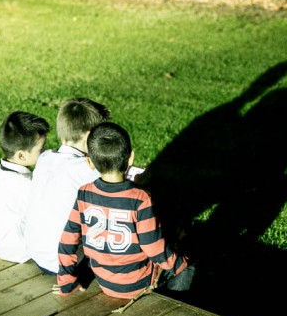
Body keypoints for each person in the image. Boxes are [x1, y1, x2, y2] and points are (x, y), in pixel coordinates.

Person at [53, 122, 192, 300]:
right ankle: (177, 301)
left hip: (105, 282)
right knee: (188, 264)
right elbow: (154, 249)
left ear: (90, 162)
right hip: (139, 285)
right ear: (131, 158)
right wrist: (181, 264)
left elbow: (67, 241)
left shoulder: (84, 194)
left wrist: (66, 282)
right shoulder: (141, 198)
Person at [24, 97, 111, 275]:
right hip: (66, 263)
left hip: (36, 253)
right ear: (89, 136)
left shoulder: (45, 158)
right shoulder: (86, 169)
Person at [0, 111, 50, 263]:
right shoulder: (24, 186)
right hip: (20, 250)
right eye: (41, 149)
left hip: (0, 244)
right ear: (21, 156)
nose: (45, 152)